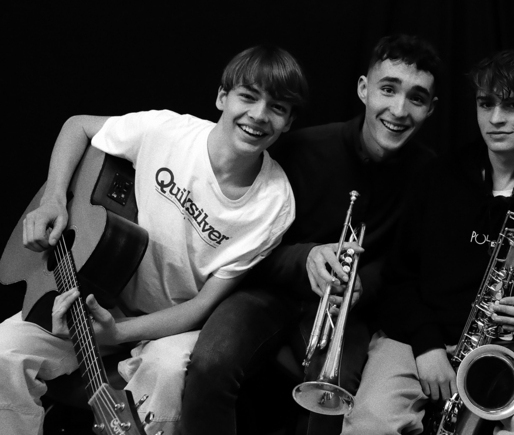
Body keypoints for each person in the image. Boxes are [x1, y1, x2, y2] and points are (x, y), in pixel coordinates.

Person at [0, 45, 308, 435]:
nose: (259, 115)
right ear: (222, 97)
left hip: (173, 326)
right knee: (5, 351)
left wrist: (117, 334)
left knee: (165, 371)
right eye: (248, 96)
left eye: (277, 108)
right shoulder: (166, 131)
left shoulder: (274, 205)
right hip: (100, 297)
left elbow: (201, 306)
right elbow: (78, 126)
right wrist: (54, 199)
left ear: (288, 122)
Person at [179, 34, 442, 435]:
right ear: (363, 89)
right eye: (388, 89)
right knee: (211, 362)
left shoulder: (429, 175)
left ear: (431, 109)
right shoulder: (301, 147)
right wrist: (307, 258)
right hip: (270, 292)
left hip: (347, 311)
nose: (399, 110)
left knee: (333, 393)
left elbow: (405, 264)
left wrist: (361, 285)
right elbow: (247, 240)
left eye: (417, 98)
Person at [343, 49, 514, 435]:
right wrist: (427, 346)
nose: (496, 119)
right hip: (415, 339)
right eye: (486, 104)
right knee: (370, 425)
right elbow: (397, 279)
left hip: (508, 347)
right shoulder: (435, 175)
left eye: (513, 105)